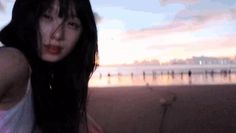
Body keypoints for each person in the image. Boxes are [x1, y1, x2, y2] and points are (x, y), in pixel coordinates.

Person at [0, 0, 102, 132]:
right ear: (27, 16)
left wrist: (76, 115)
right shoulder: (12, 61)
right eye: (47, 17)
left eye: (72, 24)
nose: (58, 35)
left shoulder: (41, 77)